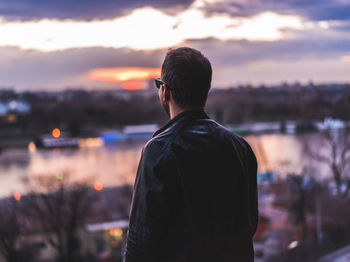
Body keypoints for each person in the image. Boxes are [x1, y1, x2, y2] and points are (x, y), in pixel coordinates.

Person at [123, 47, 258, 262]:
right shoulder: (240, 147)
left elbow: (141, 244)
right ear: (205, 90)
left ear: (165, 91)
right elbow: (249, 224)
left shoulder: (159, 150)